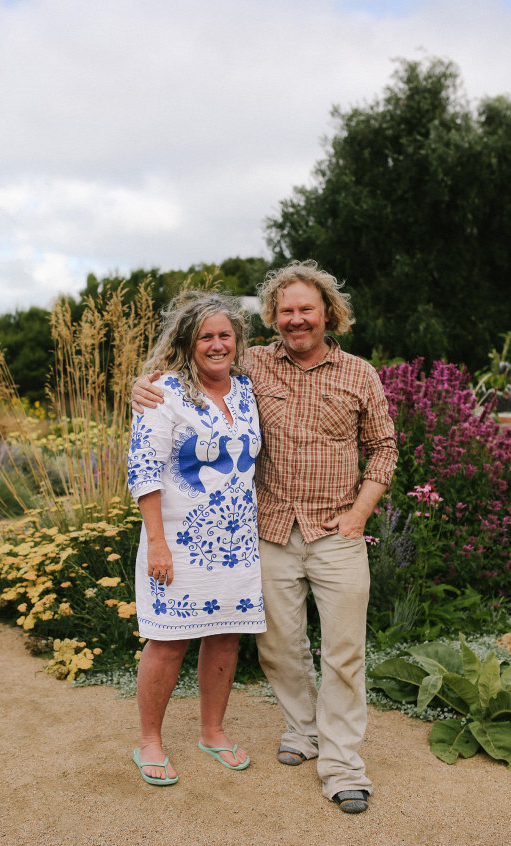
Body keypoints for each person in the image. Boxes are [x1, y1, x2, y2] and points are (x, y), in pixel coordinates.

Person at [132, 260, 398, 812]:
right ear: (273, 318)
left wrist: (360, 515)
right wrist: (144, 381)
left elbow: (385, 449)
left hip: (334, 531)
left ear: (329, 313)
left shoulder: (360, 374)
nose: (297, 320)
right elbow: (193, 352)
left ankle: (343, 765)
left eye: (307, 309)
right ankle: (303, 732)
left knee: (343, 653)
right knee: (279, 650)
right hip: (270, 533)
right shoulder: (252, 363)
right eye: (286, 311)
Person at [128, 291, 265, 787]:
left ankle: (212, 731)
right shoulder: (162, 393)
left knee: (226, 634)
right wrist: (157, 543)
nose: (216, 344)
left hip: (236, 540)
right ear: (187, 342)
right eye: (205, 336)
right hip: (178, 541)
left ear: (237, 340)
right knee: (168, 641)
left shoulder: (248, 388)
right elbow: (143, 470)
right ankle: (149, 742)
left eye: (224, 334)